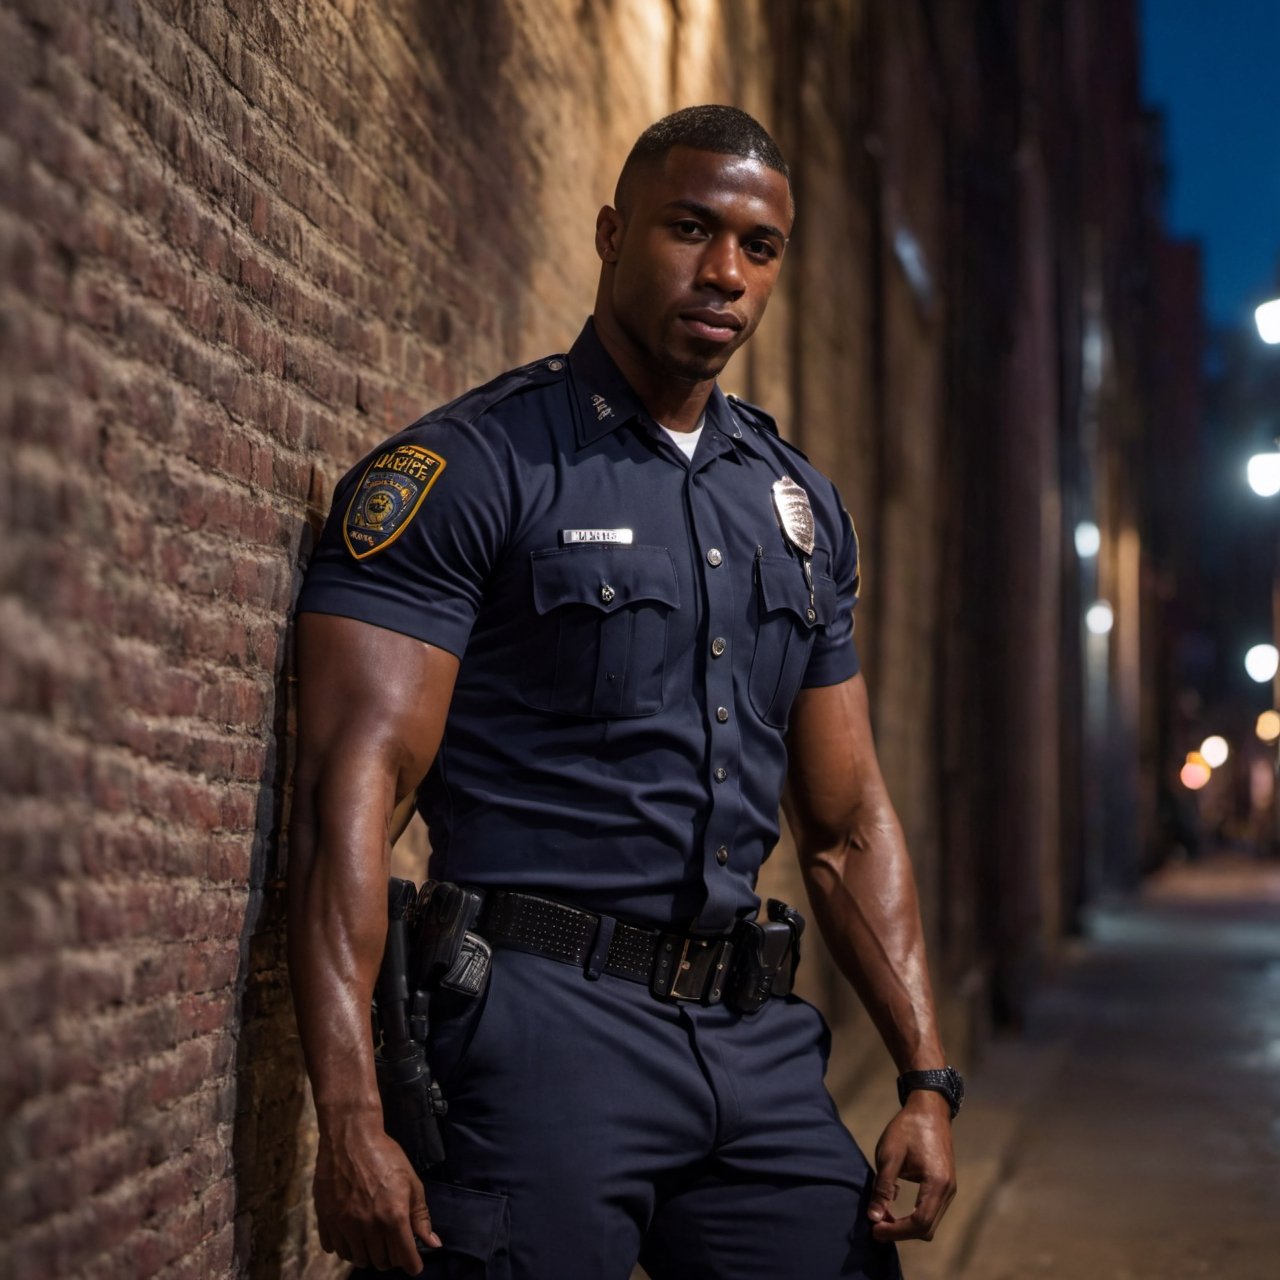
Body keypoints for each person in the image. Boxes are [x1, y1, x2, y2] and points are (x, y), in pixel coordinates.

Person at [288, 104, 958, 1280]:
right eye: (688, 229)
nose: (723, 273)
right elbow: (352, 799)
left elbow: (847, 828)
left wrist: (923, 1075)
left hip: (750, 1041)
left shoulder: (799, 511)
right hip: (538, 1034)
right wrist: (348, 1112)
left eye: (758, 247)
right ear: (610, 233)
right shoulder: (471, 470)